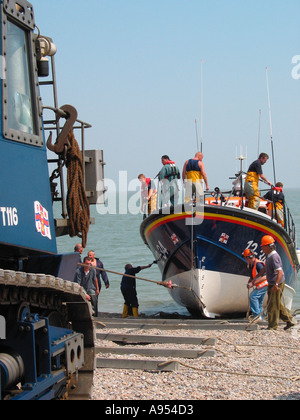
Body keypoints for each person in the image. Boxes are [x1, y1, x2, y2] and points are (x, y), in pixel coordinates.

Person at [253, 235, 295, 331]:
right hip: (272, 282)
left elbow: (279, 272)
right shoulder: (269, 256)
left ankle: (273, 326)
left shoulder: (274, 257)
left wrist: (276, 285)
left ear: (268, 246)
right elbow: (265, 269)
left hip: (276, 283)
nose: (262, 248)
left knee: (272, 305)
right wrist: (257, 276)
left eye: (263, 246)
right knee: (277, 304)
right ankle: (290, 320)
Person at [243, 249, 268, 321]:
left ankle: (257, 316)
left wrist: (253, 283)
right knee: (259, 302)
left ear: (248, 257)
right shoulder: (250, 265)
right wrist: (250, 281)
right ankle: (261, 320)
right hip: (259, 285)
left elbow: (265, 276)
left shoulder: (258, 264)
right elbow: (254, 275)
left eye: (245, 258)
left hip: (264, 284)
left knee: (253, 297)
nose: (245, 259)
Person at [87, 250, 109, 317]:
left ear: (94, 255)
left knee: (95, 298)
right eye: (88, 255)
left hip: (97, 282)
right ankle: (90, 312)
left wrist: (106, 282)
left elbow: (103, 273)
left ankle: (95, 313)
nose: (89, 256)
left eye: (90, 255)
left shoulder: (99, 263)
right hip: (89, 282)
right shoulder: (87, 262)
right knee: (89, 298)